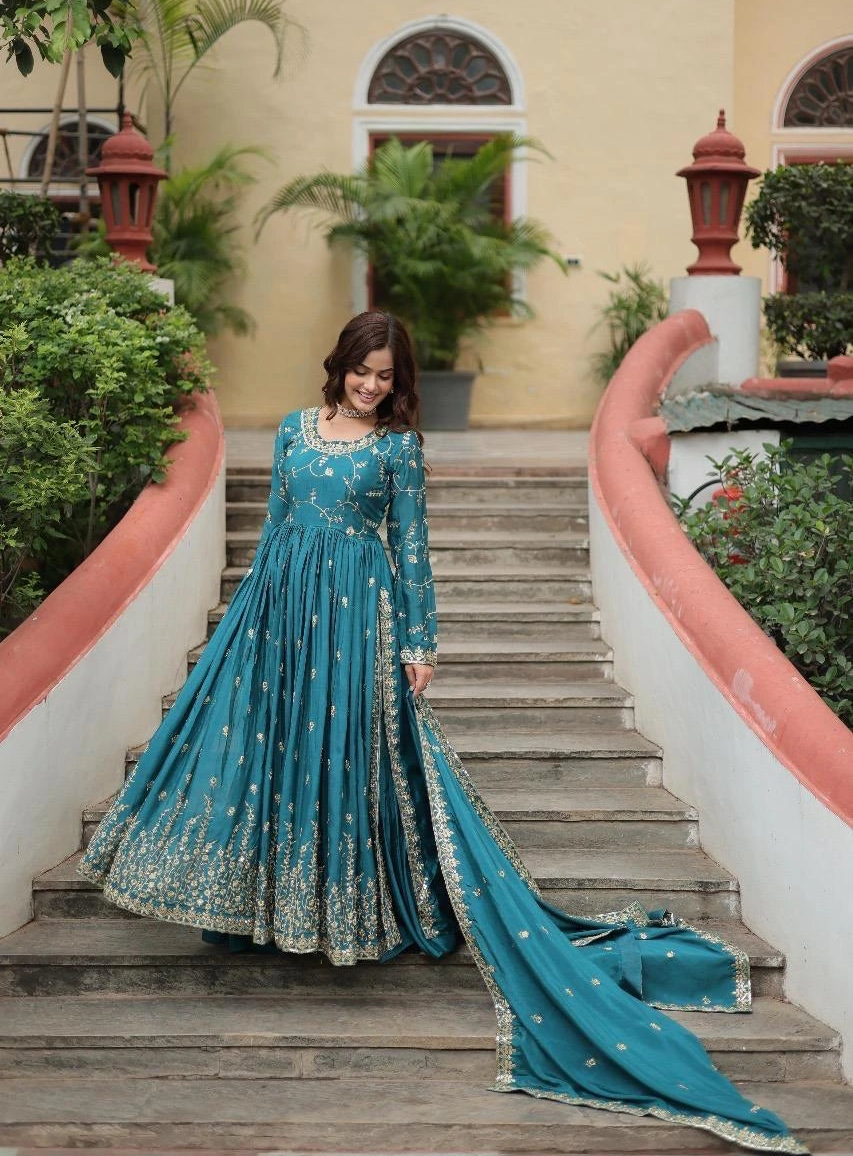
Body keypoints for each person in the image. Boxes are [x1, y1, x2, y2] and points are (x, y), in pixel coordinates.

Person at [79, 311, 805, 1154]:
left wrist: (419, 643)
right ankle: (268, 910)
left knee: (344, 763)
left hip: (358, 616)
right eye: (362, 371)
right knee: (275, 757)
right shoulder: (289, 430)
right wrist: (250, 620)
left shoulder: (396, 450)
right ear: (339, 364)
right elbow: (276, 524)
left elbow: (412, 548)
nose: (370, 386)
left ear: (398, 382)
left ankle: (345, 916)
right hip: (280, 611)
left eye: (385, 376)